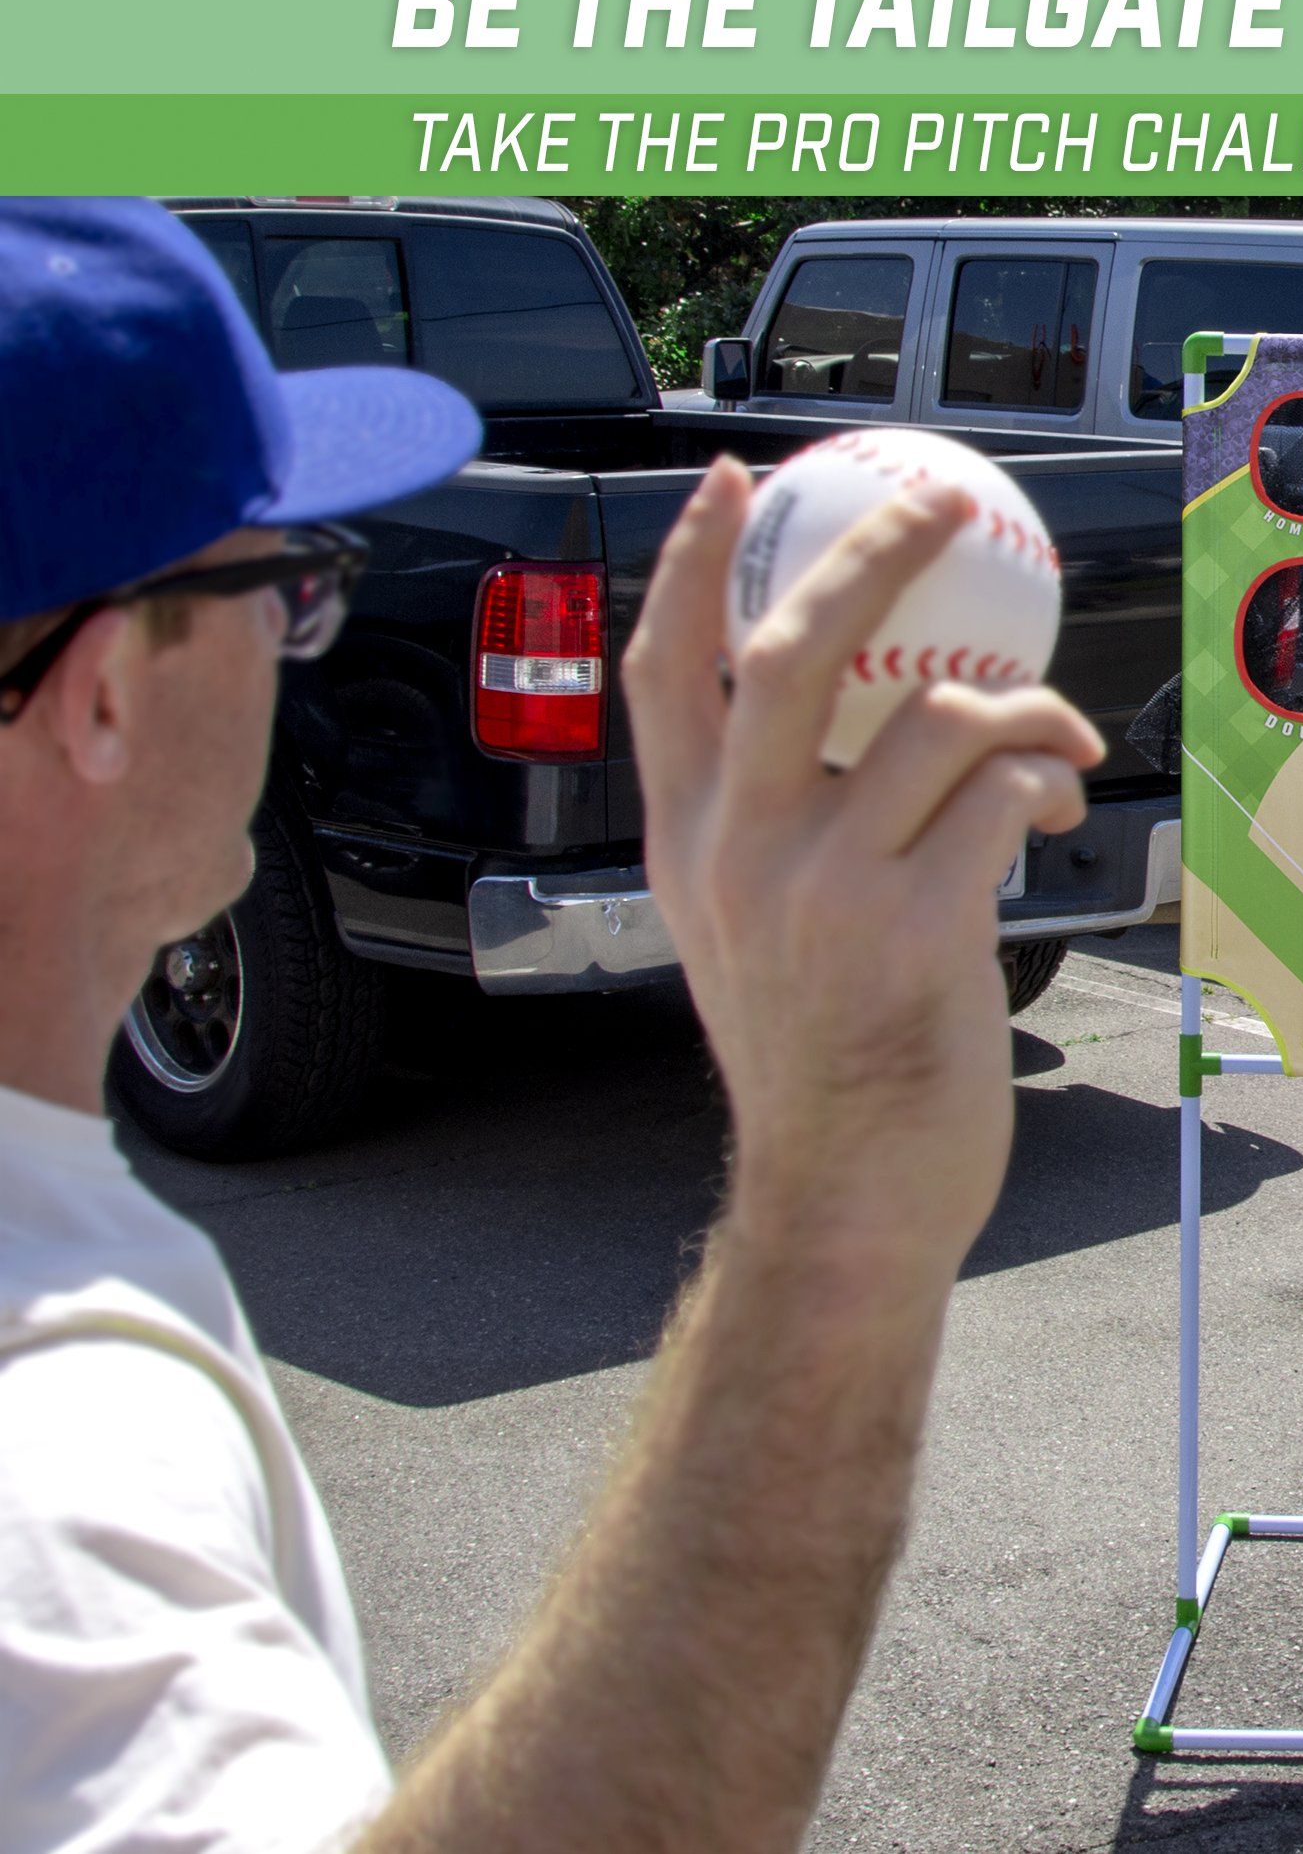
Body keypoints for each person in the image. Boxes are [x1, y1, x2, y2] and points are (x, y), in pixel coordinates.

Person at [0, 199, 1104, 1850]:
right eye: (290, 580)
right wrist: (838, 1216)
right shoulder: (65, 1431)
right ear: (104, 693)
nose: (304, 632)